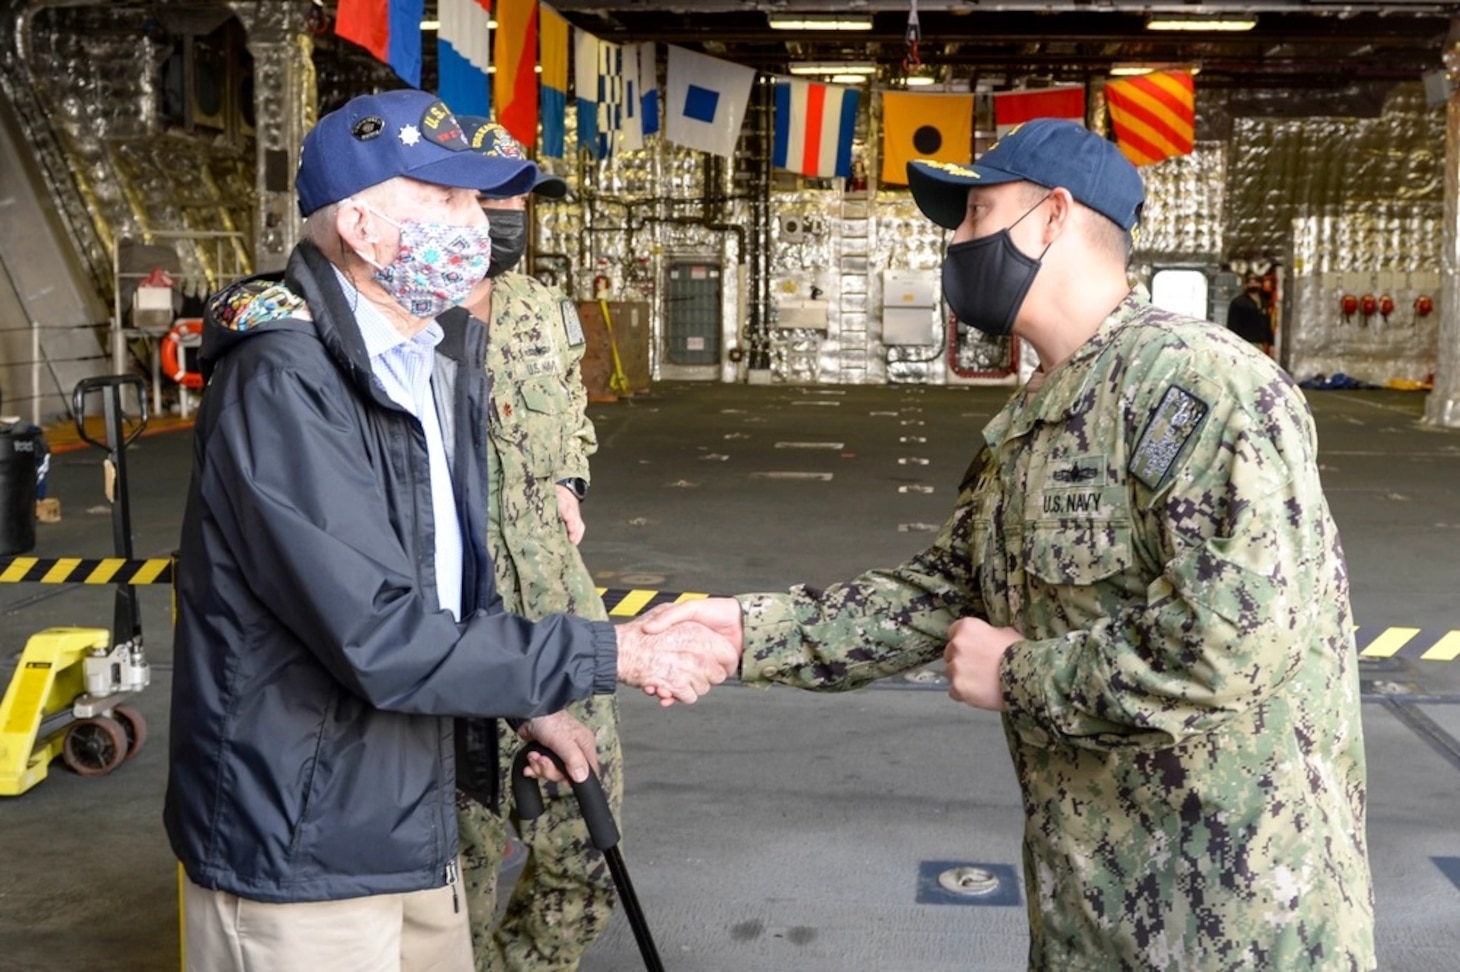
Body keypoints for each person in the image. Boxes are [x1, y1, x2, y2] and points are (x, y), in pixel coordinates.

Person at [645, 119, 1375, 971]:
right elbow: (944, 592)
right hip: (1092, 908)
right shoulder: (1040, 416)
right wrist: (743, 630)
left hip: (1234, 920)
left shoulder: (1200, 387)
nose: (955, 242)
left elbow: (1230, 645)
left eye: (975, 212)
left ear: (1053, 216)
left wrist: (1017, 675)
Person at [163, 88, 738, 972]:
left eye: (479, 200)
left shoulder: (427, 360)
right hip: (307, 843)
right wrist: (609, 654)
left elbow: (445, 591)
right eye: (447, 199)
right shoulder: (287, 379)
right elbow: (379, 635)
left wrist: (524, 703)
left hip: (407, 818)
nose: (478, 224)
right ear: (361, 226)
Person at [446, 118, 621, 971]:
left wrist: (569, 482)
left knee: (591, 847)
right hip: (452, 639)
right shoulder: (399, 319)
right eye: (490, 196)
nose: (510, 214)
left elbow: (573, 425)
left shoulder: (543, 309)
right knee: (462, 868)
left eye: (521, 198)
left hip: (558, 613)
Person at [1226, 274, 1274, 354]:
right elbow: (1232, 325)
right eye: (1250, 283)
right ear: (1245, 285)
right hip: (1244, 342)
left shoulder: (1265, 302)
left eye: (1255, 282)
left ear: (1260, 284)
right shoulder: (1238, 302)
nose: (1253, 285)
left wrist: (1271, 343)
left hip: (1261, 343)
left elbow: (1267, 324)